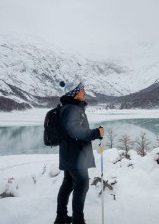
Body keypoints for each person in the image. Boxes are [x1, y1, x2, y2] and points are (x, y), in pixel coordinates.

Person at [55, 82, 104, 224]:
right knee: (82, 185)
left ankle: (61, 217)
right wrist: (96, 133)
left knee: (68, 184)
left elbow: (73, 131)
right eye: (82, 92)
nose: (85, 94)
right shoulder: (72, 109)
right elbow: (75, 131)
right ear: (74, 94)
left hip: (70, 154)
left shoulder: (69, 108)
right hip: (76, 157)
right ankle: (77, 220)